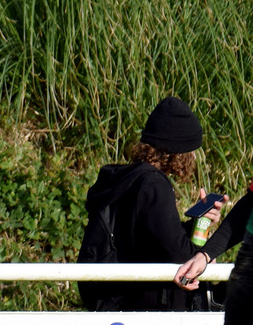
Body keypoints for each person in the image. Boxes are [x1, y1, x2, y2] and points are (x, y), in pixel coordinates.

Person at [80, 97, 226, 312]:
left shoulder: (126, 179)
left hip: (119, 299)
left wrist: (198, 223)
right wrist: (203, 253)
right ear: (181, 150)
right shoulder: (154, 185)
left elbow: (150, 238)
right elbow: (179, 253)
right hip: (146, 307)